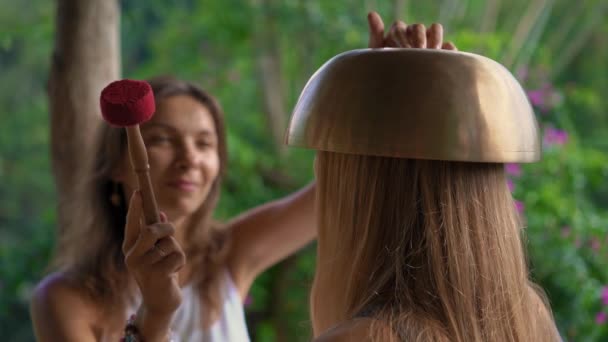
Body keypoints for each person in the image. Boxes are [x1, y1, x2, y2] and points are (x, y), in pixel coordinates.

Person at [291, 12, 562, 342]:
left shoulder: (364, 337)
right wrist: (423, 93)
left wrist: (371, 98)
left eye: (326, 166)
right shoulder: (528, 317)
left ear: (353, 188)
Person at [30, 75, 317, 340]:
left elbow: (331, 198)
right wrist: (155, 314)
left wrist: (359, 86)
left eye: (204, 143)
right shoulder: (64, 298)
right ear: (117, 163)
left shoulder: (231, 254)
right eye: (162, 139)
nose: (189, 158)